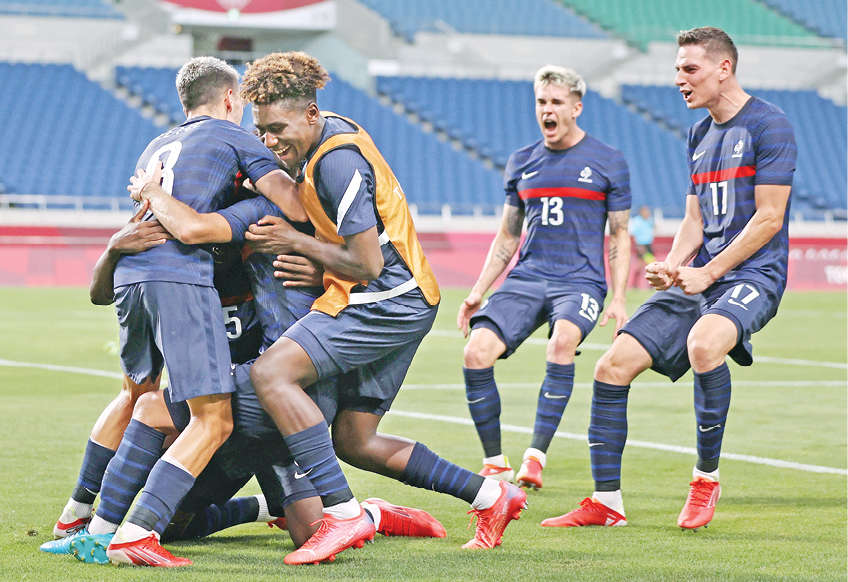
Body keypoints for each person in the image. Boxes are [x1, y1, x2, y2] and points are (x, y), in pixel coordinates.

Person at [238, 51, 527, 565]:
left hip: (387, 299)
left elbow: (367, 262)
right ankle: (490, 496)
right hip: (401, 296)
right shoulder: (323, 136)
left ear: (310, 114)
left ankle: (344, 514)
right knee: (355, 440)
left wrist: (293, 242)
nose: (269, 140)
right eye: (260, 130)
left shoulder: (337, 160)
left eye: (277, 128)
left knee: (271, 373)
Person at [541, 26, 796, 530]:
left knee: (704, 344)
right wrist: (675, 264)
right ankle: (606, 503)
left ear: (724, 68)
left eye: (690, 69)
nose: (680, 78)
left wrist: (709, 271)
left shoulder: (770, 125)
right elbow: (694, 219)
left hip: (754, 274)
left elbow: (769, 218)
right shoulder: (699, 134)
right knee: (611, 365)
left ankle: (705, 480)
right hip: (702, 273)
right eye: (677, 69)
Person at [82, 55, 304, 567]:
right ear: (230, 99)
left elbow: (105, 283)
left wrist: (144, 203)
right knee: (212, 420)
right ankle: (128, 532)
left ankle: (85, 522)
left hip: (141, 281)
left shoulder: (156, 148)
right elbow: (284, 206)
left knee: (141, 399)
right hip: (191, 295)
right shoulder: (236, 146)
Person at [457, 65, 632, 489]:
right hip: (528, 278)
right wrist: (478, 291)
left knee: (562, 342)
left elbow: (619, 234)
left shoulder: (608, 161)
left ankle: (535, 456)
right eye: (541, 102)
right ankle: (495, 464)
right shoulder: (522, 161)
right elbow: (508, 235)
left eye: (556, 102)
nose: (547, 110)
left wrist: (619, 297)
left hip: (580, 281)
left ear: (576, 107)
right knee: (476, 352)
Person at [629, 205, 655, 288]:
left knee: (651, 265)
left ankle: (651, 285)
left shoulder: (649, 220)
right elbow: (634, 234)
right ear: (641, 212)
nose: (647, 213)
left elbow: (653, 228)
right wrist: (639, 246)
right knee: (641, 266)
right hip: (641, 245)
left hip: (648, 245)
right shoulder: (637, 221)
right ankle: (635, 284)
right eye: (645, 211)